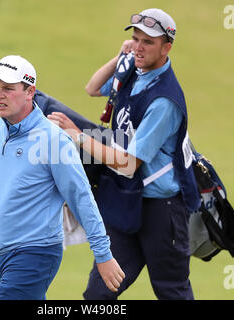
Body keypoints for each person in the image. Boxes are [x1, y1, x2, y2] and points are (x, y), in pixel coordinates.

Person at [47, 8, 200, 300]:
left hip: (162, 211)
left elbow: (128, 164)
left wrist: (77, 136)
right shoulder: (134, 70)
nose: (139, 46)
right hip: (127, 202)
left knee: (172, 292)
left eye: (148, 42)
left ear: (166, 48)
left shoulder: (164, 101)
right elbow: (92, 88)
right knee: (98, 295)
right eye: (136, 38)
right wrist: (121, 57)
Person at [0, 55, 125, 300]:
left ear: (30, 92)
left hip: (36, 251)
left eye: (8, 88)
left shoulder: (53, 139)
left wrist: (103, 254)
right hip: (0, 250)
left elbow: (80, 197)